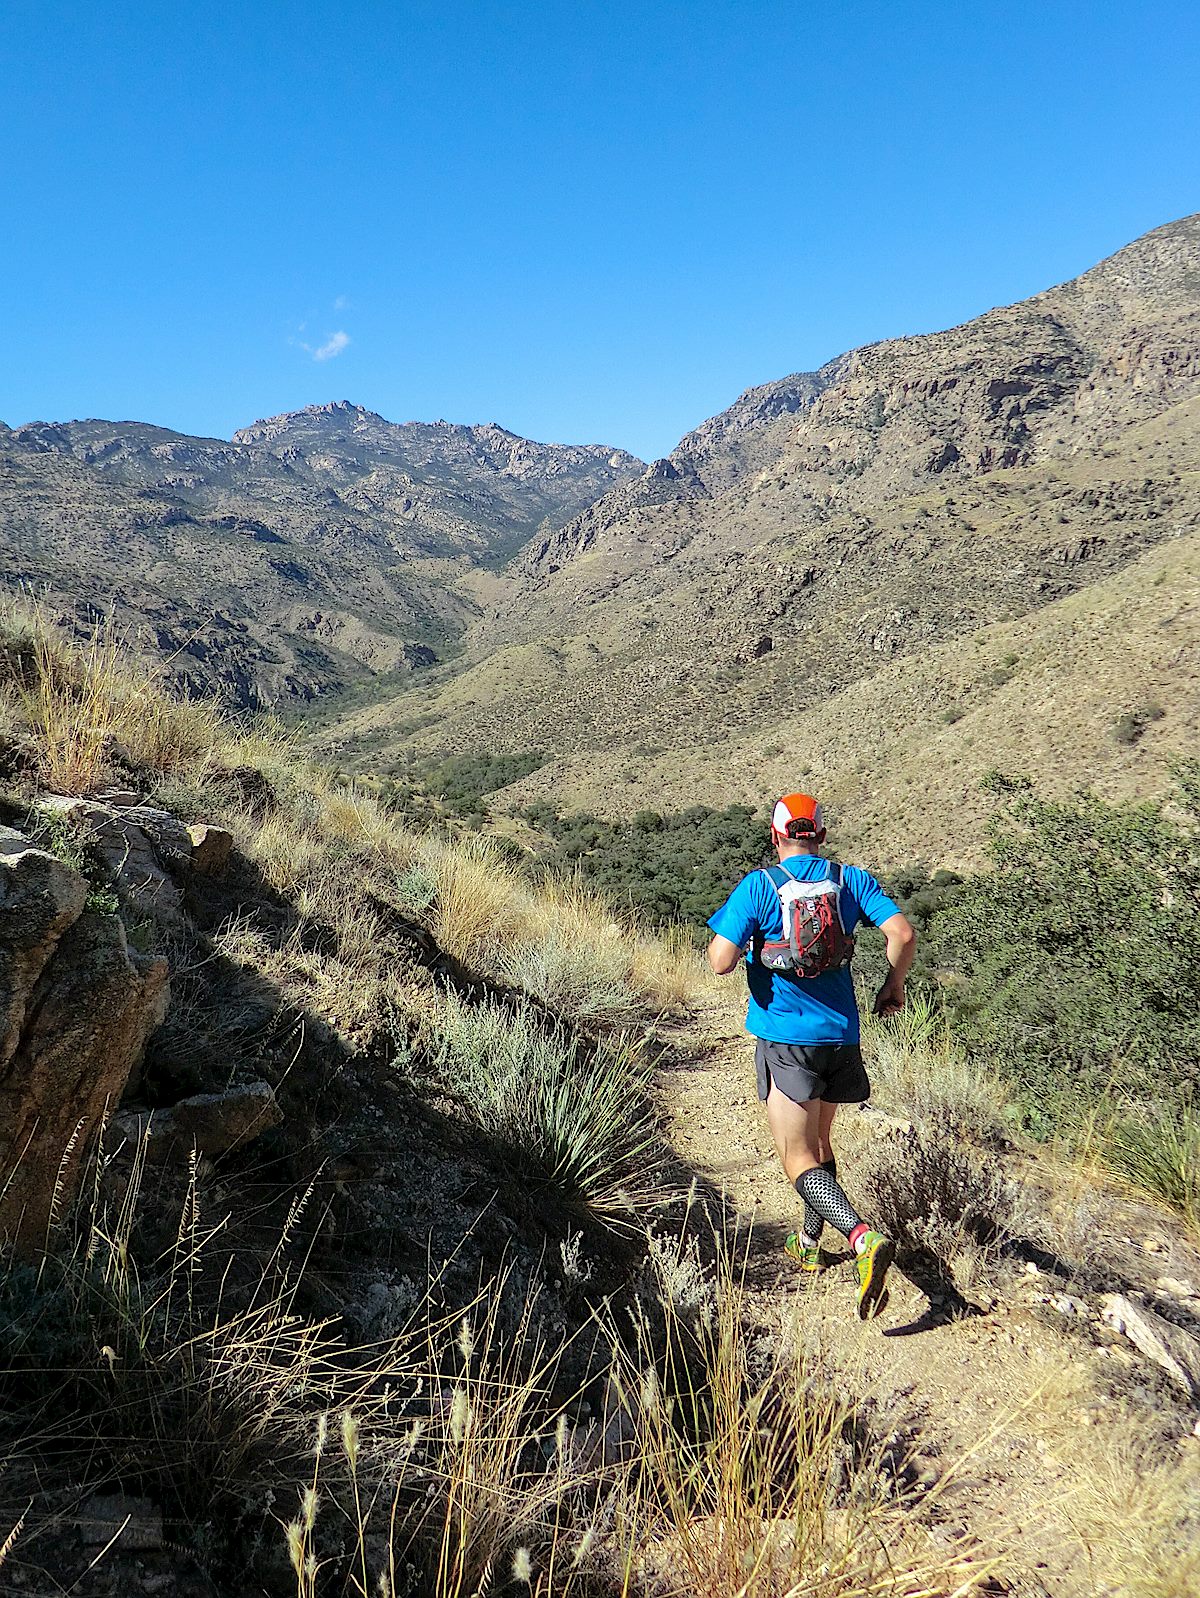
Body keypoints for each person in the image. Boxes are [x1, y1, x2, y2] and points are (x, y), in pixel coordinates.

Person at [706, 792, 916, 1319]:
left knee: (796, 1156)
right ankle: (808, 1241)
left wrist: (750, 941)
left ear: (776, 837)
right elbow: (902, 933)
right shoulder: (850, 881)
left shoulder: (760, 886)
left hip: (786, 1039)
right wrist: (894, 984)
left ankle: (862, 1238)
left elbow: (720, 963)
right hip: (842, 1036)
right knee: (821, 1142)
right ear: (820, 834)